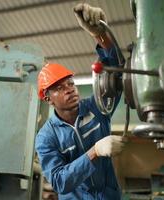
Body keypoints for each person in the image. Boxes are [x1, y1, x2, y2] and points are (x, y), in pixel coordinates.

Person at [35, 3, 125, 200]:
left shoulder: (97, 108)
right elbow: (59, 181)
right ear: (48, 99)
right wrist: (95, 152)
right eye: (59, 88)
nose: (69, 89)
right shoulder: (46, 137)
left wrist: (100, 36)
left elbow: (115, 75)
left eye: (70, 83)